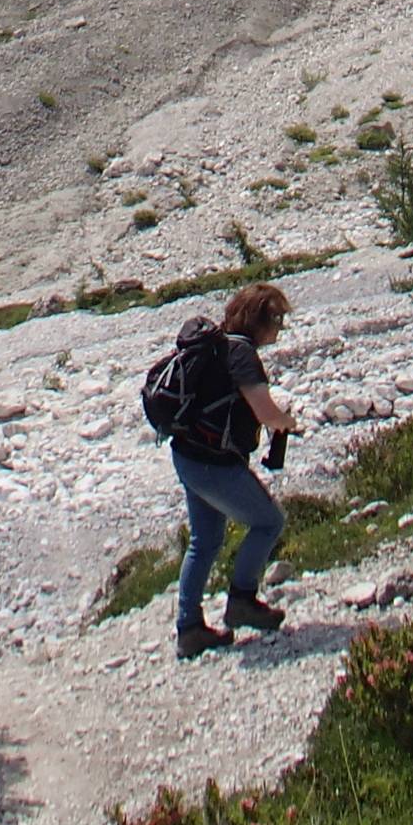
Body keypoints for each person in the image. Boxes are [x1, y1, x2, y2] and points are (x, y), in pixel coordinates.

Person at [170, 281, 300, 660]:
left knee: (204, 541)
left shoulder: (215, 347)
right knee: (268, 522)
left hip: (188, 454)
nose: (280, 328)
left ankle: (189, 628)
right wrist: (285, 422)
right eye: (277, 319)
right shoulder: (243, 355)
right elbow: (264, 411)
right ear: (260, 319)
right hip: (214, 462)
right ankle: (241, 599)